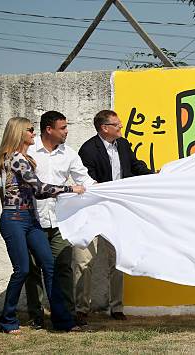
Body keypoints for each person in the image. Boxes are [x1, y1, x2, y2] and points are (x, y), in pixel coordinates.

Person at [0, 116, 85, 334]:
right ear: (19, 133)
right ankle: (7, 320)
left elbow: (33, 191)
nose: (33, 134)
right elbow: (39, 188)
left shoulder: (24, 158)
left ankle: (62, 320)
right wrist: (70, 189)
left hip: (30, 219)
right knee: (23, 270)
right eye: (30, 130)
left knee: (50, 265)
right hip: (14, 219)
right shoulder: (15, 158)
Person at [75, 109, 153, 322]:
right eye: (117, 124)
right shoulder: (89, 150)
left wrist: (154, 175)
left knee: (118, 259)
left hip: (118, 211)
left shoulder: (124, 145)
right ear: (104, 128)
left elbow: (135, 166)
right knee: (84, 261)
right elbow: (86, 180)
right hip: (92, 211)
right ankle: (81, 308)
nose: (121, 127)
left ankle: (116, 307)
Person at [24, 111, 95, 329]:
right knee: (32, 268)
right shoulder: (26, 149)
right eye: (63, 128)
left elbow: (85, 180)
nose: (66, 131)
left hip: (59, 221)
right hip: (32, 219)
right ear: (49, 129)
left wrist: (109, 191)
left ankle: (64, 315)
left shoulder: (69, 153)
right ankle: (36, 316)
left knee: (63, 266)